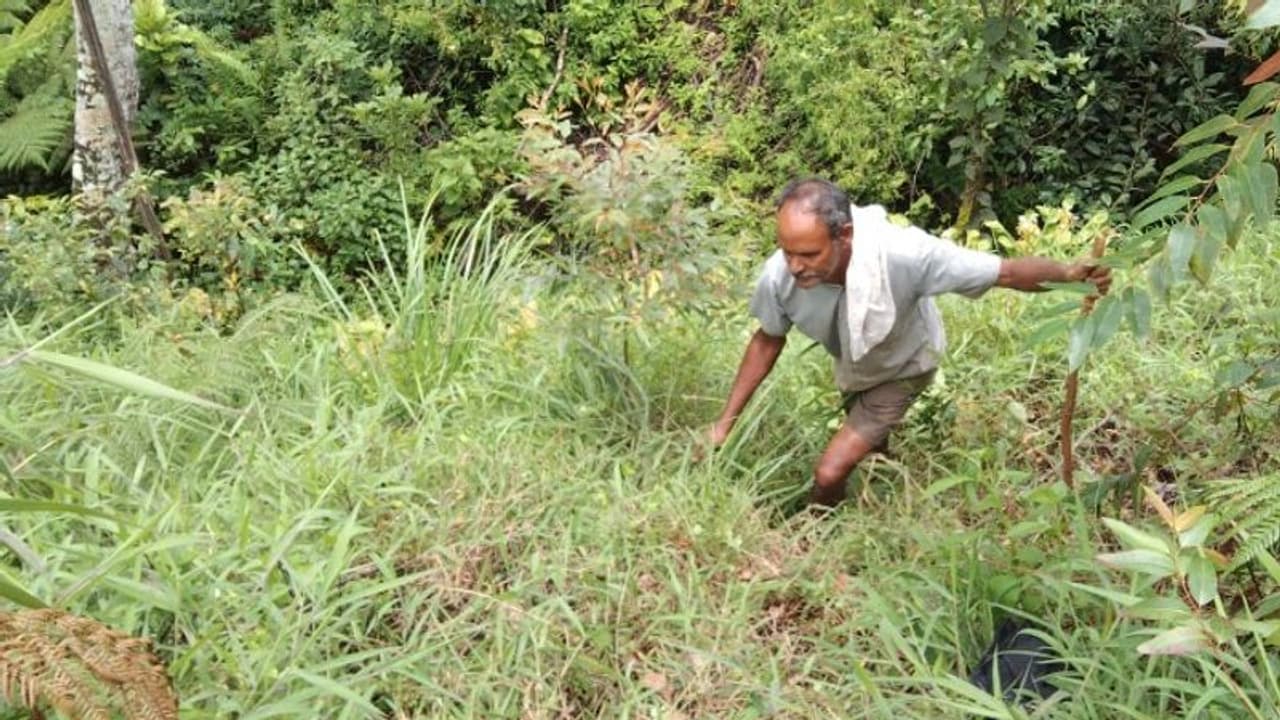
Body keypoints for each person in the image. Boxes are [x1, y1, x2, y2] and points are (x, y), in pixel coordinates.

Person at [707, 178, 1111, 507]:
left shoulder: (904, 255)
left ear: (844, 235)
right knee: (867, 442)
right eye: (787, 251)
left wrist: (1072, 272)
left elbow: (1004, 272)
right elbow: (767, 340)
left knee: (829, 471)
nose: (796, 266)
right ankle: (882, 478)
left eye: (809, 253)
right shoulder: (779, 276)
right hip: (855, 366)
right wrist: (724, 423)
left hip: (905, 365)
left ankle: (820, 527)